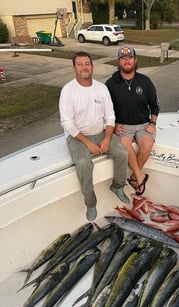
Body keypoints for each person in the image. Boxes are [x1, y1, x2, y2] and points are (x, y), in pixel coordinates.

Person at [59, 51, 130, 221]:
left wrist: (106, 138)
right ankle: (90, 203)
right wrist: (88, 143)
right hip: (78, 137)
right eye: (80, 64)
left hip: (101, 133)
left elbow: (110, 116)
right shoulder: (68, 91)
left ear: (92, 66)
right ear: (74, 67)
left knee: (122, 153)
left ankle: (118, 186)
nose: (84, 67)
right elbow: (67, 123)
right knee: (84, 163)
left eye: (87, 64)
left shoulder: (101, 88)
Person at [106, 45, 160, 195]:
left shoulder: (145, 81)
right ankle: (140, 177)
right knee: (124, 144)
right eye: (123, 58)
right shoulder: (111, 84)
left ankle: (133, 177)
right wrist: (115, 124)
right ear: (119, 62)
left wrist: (152, 123)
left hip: (143, 124)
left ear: (135, 60)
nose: (127, 61)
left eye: (129, 58)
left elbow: (155, 105)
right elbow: (106, 109)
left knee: (147, 144)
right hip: (123, 126)